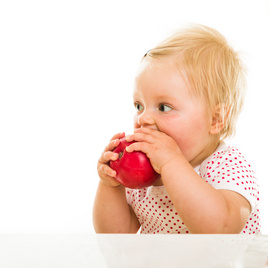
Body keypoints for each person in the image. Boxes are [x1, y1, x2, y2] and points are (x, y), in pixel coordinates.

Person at [93, 24, 260, 234]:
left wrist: (171, 162)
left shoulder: (227, 166)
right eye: (139, 106)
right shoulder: (144, 172)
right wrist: (111, 185)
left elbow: (221, 229)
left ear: (216, 119)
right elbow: (116, 237)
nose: (143, 118)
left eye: (164, 107)